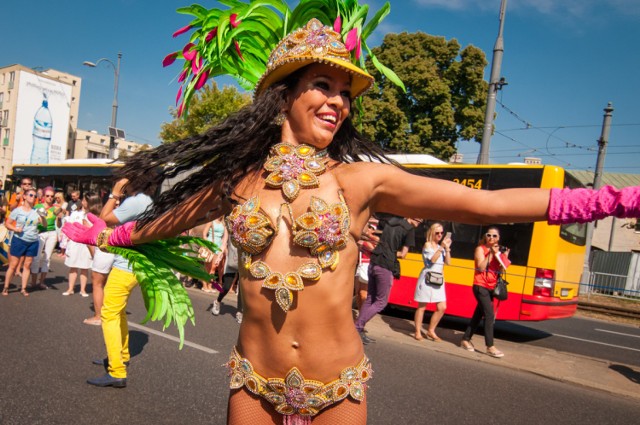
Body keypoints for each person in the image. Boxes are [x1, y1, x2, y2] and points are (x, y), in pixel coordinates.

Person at [61, 16, 640, 422]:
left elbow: (487, 204)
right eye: (323, 85)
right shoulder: (236, 182)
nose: (338, 101)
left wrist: (611, 201)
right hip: (253, 383)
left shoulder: (362, 180)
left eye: (345, 92)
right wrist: (102, 233)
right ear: (282, 96)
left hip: (337, 386)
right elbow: (160, 224)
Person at [84, 177, 153, 388]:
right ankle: (121, 356)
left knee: (109, 313)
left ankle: (117, 371)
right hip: (133, 265)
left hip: (126, 267)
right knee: (119, 312)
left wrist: (114, 194)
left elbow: (104, 218)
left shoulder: (137, 201)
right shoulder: (146, 200)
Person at [355, 216, 421, 344]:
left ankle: (359, 328)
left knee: (370, 298)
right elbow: (403, 254)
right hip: (385, 266)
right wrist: (391, 252)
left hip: (373, 263)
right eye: (419, 219)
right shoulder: (409, 230)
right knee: (381, 302)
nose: (420, 222)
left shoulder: (391, 221)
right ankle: (357, 328)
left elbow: (374, 227)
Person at [461, 226, 511, 358]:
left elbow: (500, 270)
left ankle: (465, 339)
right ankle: (490, 346)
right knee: (489, 315)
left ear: (498, 238)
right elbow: (480, 267)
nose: (492, 238)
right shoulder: (480, 249)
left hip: (491, 287)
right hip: (480, 285)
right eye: (489, 235)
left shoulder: (499, 251)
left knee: (478, 315)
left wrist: (504, 257)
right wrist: (491, 255)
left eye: (495, 236)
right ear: (485, 236)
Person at [2, 188, 46, 296]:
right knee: (13, 265)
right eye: (31, 195)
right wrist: (15, 229)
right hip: (19, 240)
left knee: (27, 265)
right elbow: (8, 223)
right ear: (25, 196)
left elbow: (44, 225)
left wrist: (43, 217)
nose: (33, 197)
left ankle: (23, 288)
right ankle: (6, 287)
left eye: (35, 196)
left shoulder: (36, 211)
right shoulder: (17, 210)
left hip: (33, 241)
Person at [413, 222, 451, 342]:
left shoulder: (442, 247)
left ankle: (431, 330)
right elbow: (432, 260)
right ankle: (417, 331)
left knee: (442, 307)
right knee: (422, 306)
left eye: (441, 233)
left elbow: (448, 263)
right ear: (432, 233)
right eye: (437, 233)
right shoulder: (428, 245)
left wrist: (447, 249)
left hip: (439, 279)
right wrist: (441, 247)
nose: (440, 235)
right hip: (427, 278)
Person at [83, 193, 114, 326]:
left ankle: (98, 316)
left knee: (97, 283)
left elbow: (89, 240)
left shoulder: (87, 218)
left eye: (84, 200)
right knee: (107, 283)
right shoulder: (107, 214)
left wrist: (93, 255)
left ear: (88, 202)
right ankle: (108, 312)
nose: (82, 202)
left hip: (101, 250)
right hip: (113, 250)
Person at [62, 193, 93, 296]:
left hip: (86, 243)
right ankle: (70, 288)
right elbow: (69, 226)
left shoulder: (93, 215)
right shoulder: (75, 213)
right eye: (84, 200)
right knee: (73, 265)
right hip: (75, 241)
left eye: (87, 200)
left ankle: (83, 289)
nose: (85, 202)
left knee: (85, 267)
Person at [29, 187, 60, 290]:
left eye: (52, 196)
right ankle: (33, 282)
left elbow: (58, 225)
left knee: (47, 258)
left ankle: (41, 282)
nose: (50, 198)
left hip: (52, 233)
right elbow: (32, 219)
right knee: (36, 257)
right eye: (47, 196)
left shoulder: (55, 208)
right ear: (43, 196)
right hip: (39, 233)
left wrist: (59, 217)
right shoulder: (37, 206)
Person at [211, 237, 243, 323]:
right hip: (231, 261)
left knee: (242, 290)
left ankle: (239, 311)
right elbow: (224, 244)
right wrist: (219, 257)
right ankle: (217, 301)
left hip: (244, 262)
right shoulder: (229, 227)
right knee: (226, 287)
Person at [201, 216, 228, 293]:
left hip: (218, 247)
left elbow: (225, 238)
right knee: (207, 267)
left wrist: (222, 249)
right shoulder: (211, 221)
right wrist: (208, 245)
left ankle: (210, 285)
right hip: (210, 246)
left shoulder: (224, 224)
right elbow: (204, 234)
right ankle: (204, 285)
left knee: (213, 268)